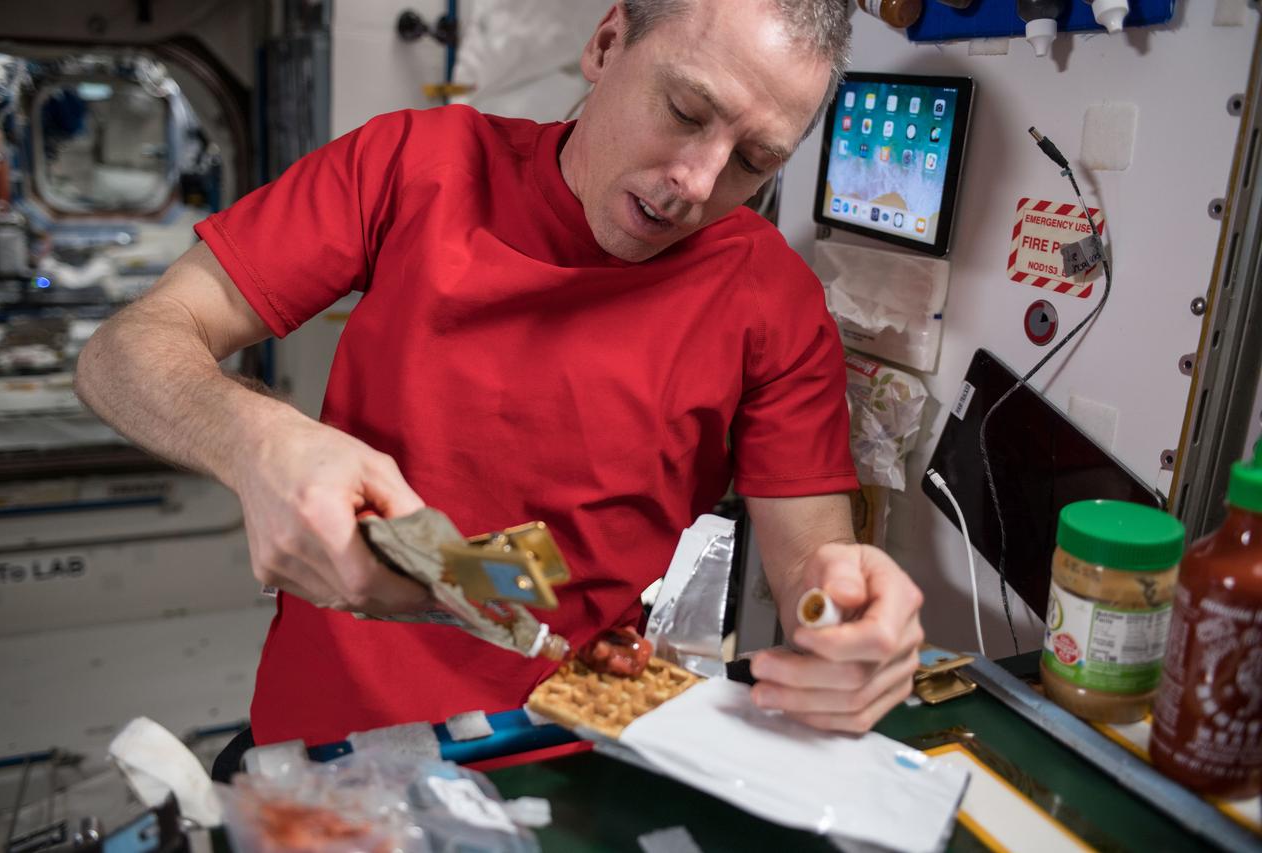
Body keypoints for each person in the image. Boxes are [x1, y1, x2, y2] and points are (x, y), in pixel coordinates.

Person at [75, 0, 924, 748]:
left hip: (575, 749)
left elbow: (813, 563)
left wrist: (850, 624)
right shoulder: (414, 167)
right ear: (606, 42)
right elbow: (127, 349)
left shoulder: (774, 299)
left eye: (753, 162)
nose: (696, 184)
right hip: (333, 744)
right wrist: (258, 441)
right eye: (684, 109)